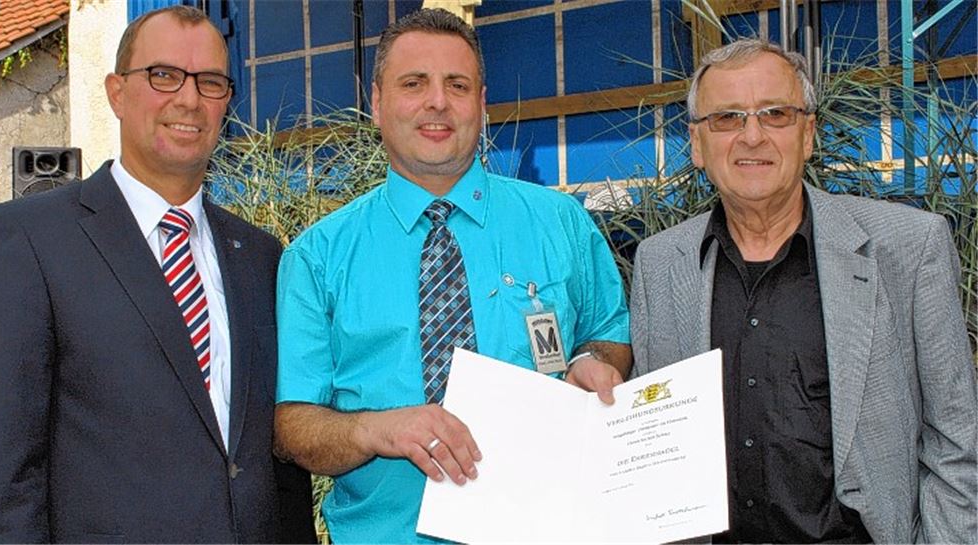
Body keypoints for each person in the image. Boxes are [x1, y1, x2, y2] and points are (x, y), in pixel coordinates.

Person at [0, 6, 315, 543]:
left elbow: (276, 473)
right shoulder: (24, 242)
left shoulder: (260, 256)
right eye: (163, 75)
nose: (188, 99)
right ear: (117, 93)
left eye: (210, 82)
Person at [273, 8, 631, 544]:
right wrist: (376, 428)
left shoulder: (563, 223)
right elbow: (293, 426)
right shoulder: (317, 257)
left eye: (457, 85)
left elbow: (608, 338)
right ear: (376, 103)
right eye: (414, 84)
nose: (437, 102)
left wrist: (590, 363)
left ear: (481, 103)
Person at [629, 38, 977, 543]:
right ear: (697, 145)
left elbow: (958, 445)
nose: (752, 136)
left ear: (808, 133)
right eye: (727, 119)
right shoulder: (660, 264)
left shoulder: (908, 248)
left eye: (775, 114)